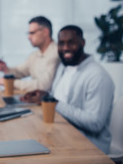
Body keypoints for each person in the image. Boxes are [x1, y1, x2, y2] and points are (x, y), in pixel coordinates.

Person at [21, 25, 114, 154]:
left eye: (71, 43)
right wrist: (45, 96)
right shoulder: (64, 66)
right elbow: (61, 99)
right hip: (60, 133)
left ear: (83, 43)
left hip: (88, 146)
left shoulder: (98, 76)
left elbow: (95, 123)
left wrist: (53, 102)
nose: (65, 48)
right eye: (61, 43)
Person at [0, 16, 60, 91]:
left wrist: (10, 83)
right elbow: (20, 71)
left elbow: (44, 85)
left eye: (32, 33)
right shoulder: (35, 55)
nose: (29, 37)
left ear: (45, 32)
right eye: (28, 33)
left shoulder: (56, 53)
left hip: (49, 101)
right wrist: (6, 68)